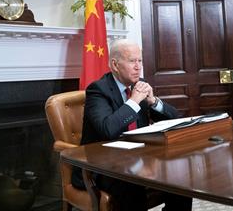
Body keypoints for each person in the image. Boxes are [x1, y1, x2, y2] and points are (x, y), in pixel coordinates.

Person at [72, 39, 192, 211]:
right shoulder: (98, 90)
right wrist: (134, 100)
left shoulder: (139, 85)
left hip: (139, 157)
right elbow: (108, 129)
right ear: (115, 64)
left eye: (140, 60)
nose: (138, 67)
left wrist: (153, 101)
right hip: (103, 165)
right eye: (132, 61)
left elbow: (175, 119)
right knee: (130, 184)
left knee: (181, 175)